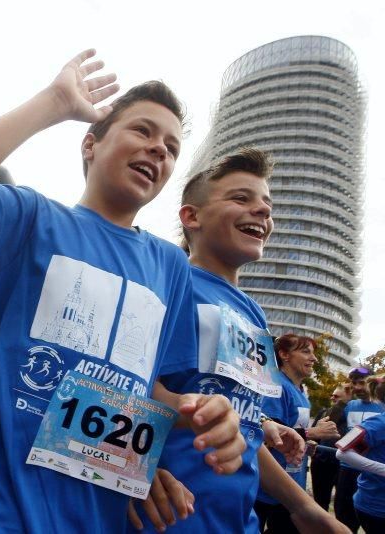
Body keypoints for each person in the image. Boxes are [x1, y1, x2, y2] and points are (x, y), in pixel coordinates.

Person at [0, 49, 245, 532]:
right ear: (90, 145)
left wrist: (205, 415)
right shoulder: (32, 219)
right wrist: (53, 102)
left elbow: (144, 388)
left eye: (171, 147)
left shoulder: (170, 265)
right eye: (142, 131)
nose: (158, 150)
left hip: (96, 518)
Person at [132, 149, 346, 533]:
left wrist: (306, 509)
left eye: (267, 204)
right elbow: (119, 391)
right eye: (241, 198)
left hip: (237, 521)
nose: (263, 211)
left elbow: (241, 428)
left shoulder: (255, 316)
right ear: (191, 216)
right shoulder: (168, 284)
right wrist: (132, 475)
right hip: (170, 520)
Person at [254, 334, 341, 532]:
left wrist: (304, 444)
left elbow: (292, 430)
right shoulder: (276, 384)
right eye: (305, 351)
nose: (314, 358)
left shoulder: (301, 392)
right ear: (284, 354)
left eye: (314, 353)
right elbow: (267, 431)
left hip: (292, 484)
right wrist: (313, 431)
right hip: (267, 487)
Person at [335, 367, 385, 532]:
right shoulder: (377, 422)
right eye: (353, 382)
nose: (356, 387)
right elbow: (343, 449)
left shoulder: (379, 415)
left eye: (361, 382)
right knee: (344, 520)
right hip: (372, 502)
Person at [312, 384, 352, 510]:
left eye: (337, 396)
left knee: (342, 504)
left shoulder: (351, 414)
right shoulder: (324, 412)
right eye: (332, 395)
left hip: (342, 465)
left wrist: (343, 404)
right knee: (320, 502)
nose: (332, 398)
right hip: (321, 463)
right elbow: (314, 435)